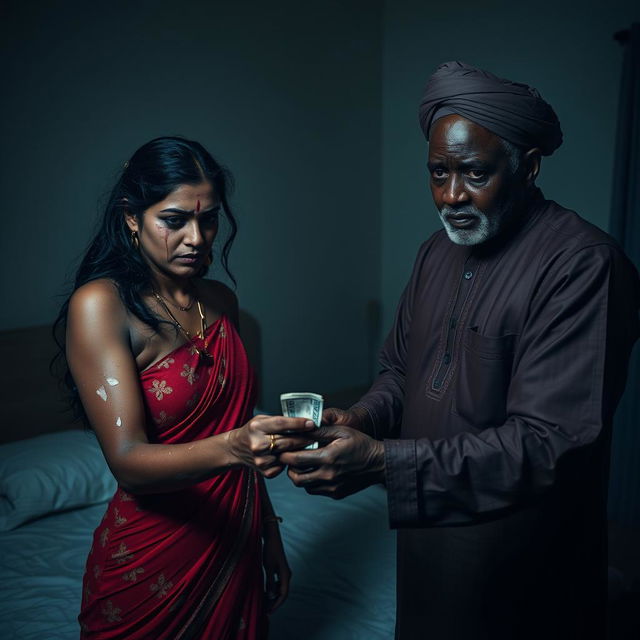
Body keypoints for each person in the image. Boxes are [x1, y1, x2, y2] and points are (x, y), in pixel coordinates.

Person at [279, 62, 640, 639]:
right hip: (430, 546)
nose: (451, 196)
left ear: (527, 167)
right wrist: (363, 417)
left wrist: (380, 461)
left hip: (523, 560)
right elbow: (402, 369)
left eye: (474, 173)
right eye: (438, 173)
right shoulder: (435, 253)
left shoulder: (582, 265)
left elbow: (550, 444)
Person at [53, 136, 314, 639]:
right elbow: (129, 462)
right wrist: (236, 446)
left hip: (232, 544)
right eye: (174, 220)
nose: (197, 237)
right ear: (132, 216)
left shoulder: (221, 301)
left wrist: (269, 535)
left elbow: (238, 429)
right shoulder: (101, 306)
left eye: (208, 218)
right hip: (152, 559)